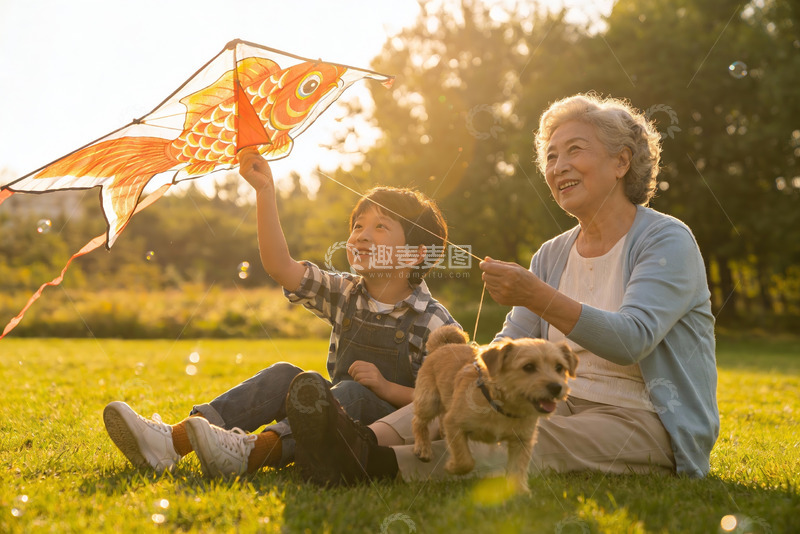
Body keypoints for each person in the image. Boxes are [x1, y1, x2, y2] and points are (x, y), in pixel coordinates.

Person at [283, 93, 720, 485]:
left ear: (621, 162)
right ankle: (356, 439)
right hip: (552, 398)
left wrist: (535, 294)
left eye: (574, 150)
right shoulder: (552, 254)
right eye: (551, 157)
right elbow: (508, 342)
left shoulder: (666, 240)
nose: (558, 167)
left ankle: (372, 463)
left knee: (526, 440)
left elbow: (631, 340)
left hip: (643, 418)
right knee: (467, 400)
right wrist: (465, 375)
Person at [102, 147, 459, 477]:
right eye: (358, 225)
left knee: (351, 392)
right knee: (285, 375)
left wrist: (385, 387)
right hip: (332, 413)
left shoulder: (433, 321)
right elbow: (280, 267)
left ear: (416, 254)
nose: (362, 235)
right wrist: (265, 191)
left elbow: (449, 401)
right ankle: (171, 442)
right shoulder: (346, 293)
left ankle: (252, 452)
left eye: (380, 227)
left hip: (378, 436)